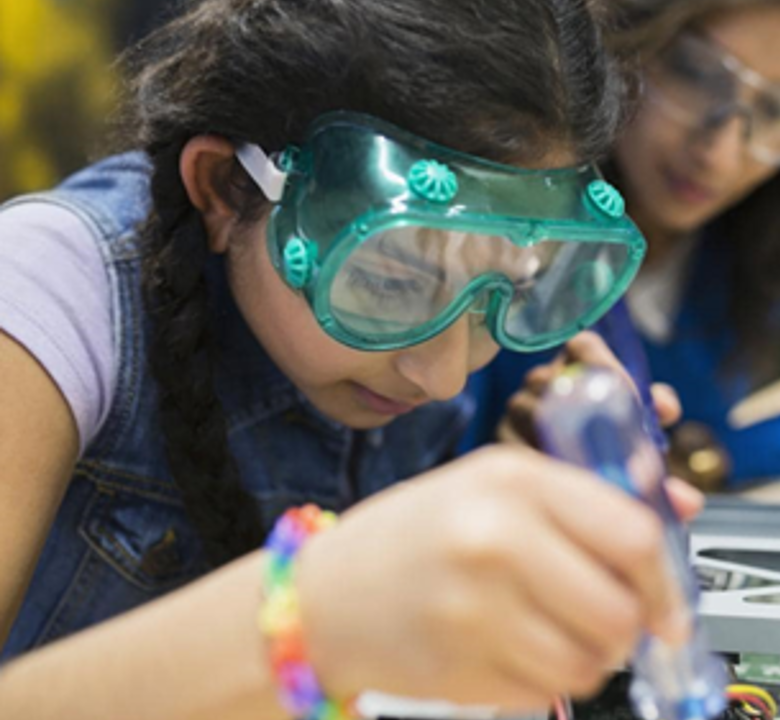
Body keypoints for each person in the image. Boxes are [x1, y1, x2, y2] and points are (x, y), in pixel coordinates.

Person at [0, 1, 700, 717]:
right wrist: (315, 619)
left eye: (514, 286)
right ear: (222, 187)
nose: (444, 378)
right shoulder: (44, 291)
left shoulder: (401, 360)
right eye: (392, 282)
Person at [467, 0, 780, 487]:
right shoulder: (502, 209)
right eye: (696, 74)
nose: (718, 156)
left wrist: (706, 457)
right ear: (616, 36)